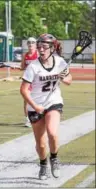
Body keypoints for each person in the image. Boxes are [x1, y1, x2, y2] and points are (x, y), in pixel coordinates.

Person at [20, 33, 72, 180]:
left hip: (53, 102)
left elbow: (69, 79)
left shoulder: (60, 62)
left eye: (44, 47)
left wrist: (64, 78)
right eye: (39, 47)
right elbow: (23, 90)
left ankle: (54, 158)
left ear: (52, 48)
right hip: (36, 105)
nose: (41, 50)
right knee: (41, 145)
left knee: (53, 133)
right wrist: (35, 106)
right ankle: (43, 164)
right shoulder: (33, 67)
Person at [20, 37, 38, 127]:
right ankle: (27, 119)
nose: (31, 44)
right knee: (26, 100)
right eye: (29, 43)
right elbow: (22, 67)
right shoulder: (25, 55)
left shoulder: (38, 54)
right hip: (28, 81)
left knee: (37, 99)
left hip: (37, 81)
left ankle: (38, 117)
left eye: (33, 42)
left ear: (36, 44)